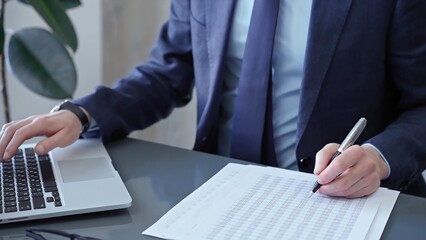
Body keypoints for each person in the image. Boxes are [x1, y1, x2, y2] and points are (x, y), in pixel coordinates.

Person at [1, 0, 426, 198]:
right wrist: (82, 113)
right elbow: (168, 72)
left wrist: (378, 156)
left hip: (335, 201)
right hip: (216, 195)